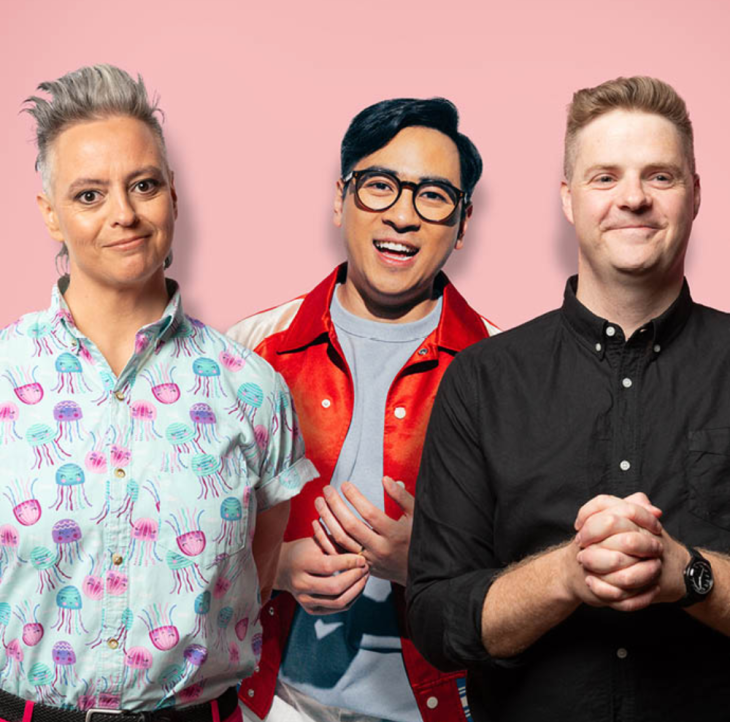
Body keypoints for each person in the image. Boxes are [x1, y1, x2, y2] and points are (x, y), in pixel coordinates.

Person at [407, 75, 730, 722]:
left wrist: (685, 573)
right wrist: (565, 576)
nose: (633, 198)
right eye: (605, 177)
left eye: (660, 177)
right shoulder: (481, 380)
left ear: (695, 195)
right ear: (569, 199)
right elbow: (436, 621)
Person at [0, 64, 316, 722]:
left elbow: (251, 577)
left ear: (173, 194)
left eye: (143, 185)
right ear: (50, 215)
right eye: (89, 195)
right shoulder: (5, 375)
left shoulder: (251, 389)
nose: (124, 214)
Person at [228, 98, 499, 722]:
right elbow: (180, 543)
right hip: (271, 704)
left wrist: (427, 567)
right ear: (340, 199)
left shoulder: (503, 371)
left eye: (433, 196)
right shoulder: (250, 353)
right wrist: (275, 566)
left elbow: (541, 568)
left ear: (462, 222)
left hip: (438, 707)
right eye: (380, 186)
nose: (402, 215)